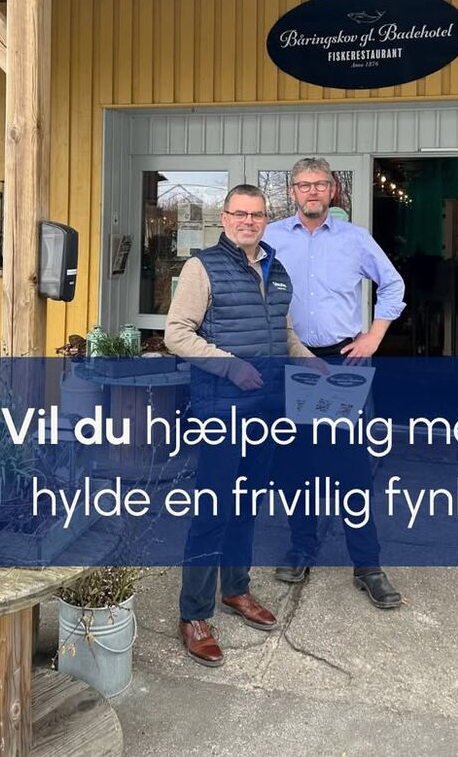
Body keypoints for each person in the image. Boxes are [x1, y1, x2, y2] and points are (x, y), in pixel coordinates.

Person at [165, 184, 313, 667]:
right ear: (225, 218)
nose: (248, 221)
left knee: (247, 504)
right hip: (222, 411)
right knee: (213, 510)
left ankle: (236, 589)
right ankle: (193, 614)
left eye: (257, 215)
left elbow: (284, 333)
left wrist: (312, 362)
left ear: (266, 220)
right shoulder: (202, 267)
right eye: (240, 214)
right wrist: (230, 366)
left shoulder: (277, 270)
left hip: (266, 410)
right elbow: (176, 335)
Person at [265, 156, 407, 609]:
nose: (312, 191)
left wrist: (374, 336)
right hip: (291, 361)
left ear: (332, 191)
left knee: (350, 467)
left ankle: (367, 565)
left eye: (320, 184)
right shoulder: (270, 237)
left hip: (342, 363)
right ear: (292, 191)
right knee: (295, 464)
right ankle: (301, 549)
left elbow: (393, 286)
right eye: (304, 184)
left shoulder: (354, 239)